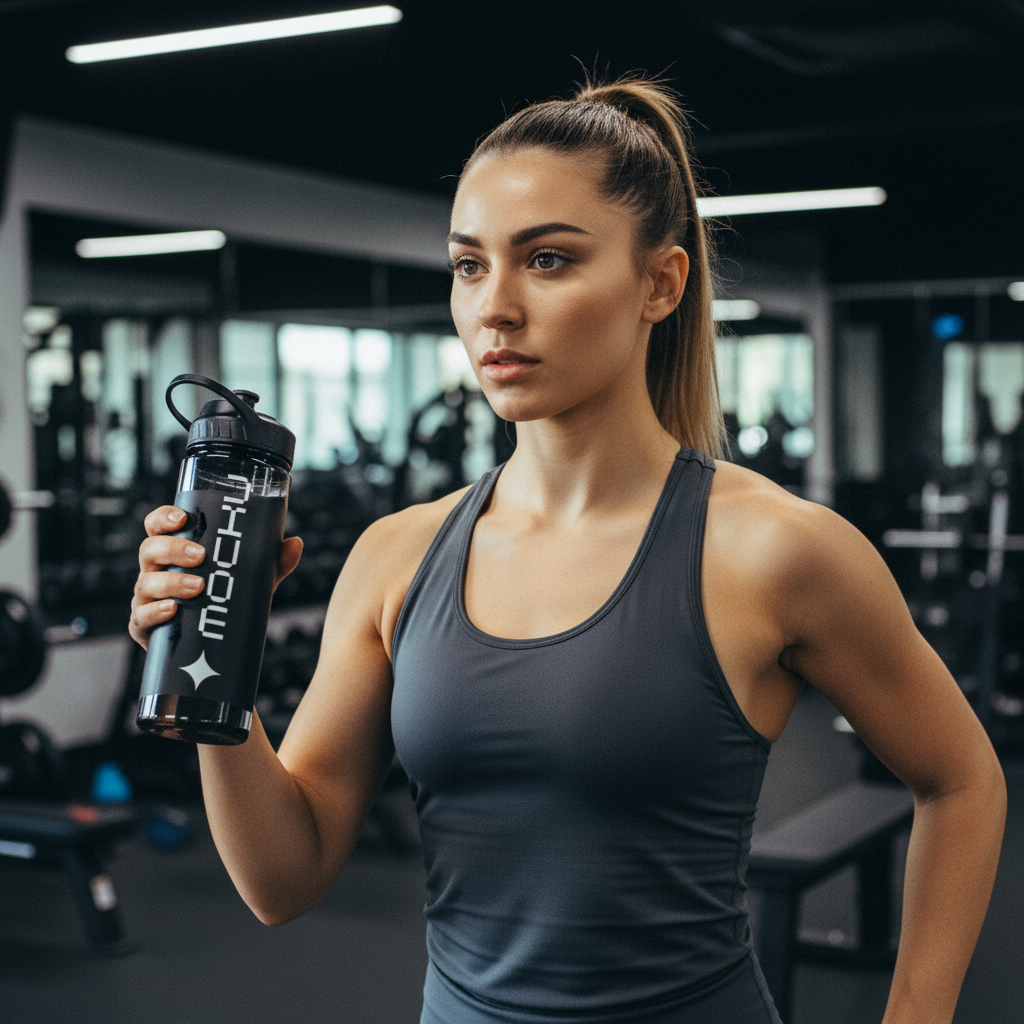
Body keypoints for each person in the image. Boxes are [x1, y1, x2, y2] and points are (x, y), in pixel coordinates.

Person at [130, 75, 1006, 1024]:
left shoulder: (775, 550)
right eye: (470, 265)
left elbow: (960, 780)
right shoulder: (397, 556)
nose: (494, 307)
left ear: (659, 283)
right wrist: (213, 675)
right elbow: (282, 880)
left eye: (546, 260)